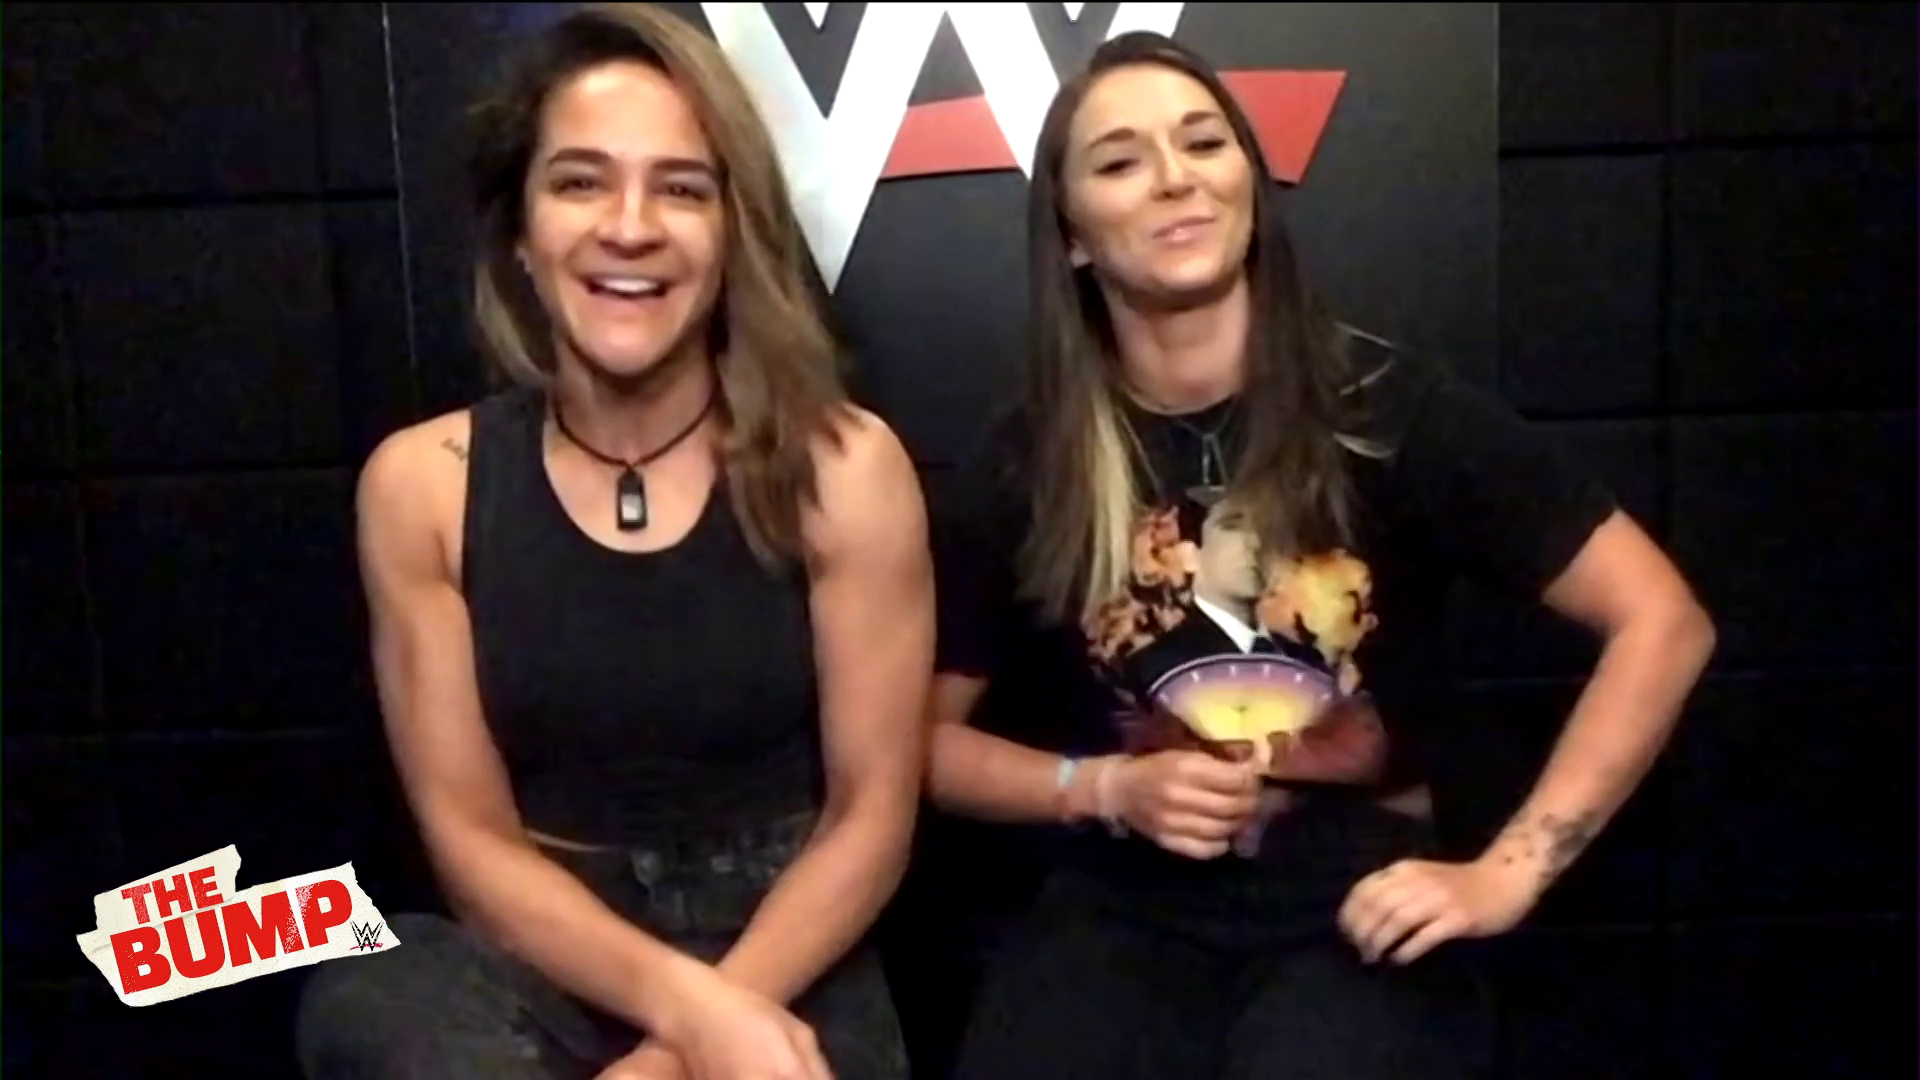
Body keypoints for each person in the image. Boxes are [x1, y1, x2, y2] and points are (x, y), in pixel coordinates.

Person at [924, 30, 1716, 1080]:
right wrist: (1102, 788)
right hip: (1120, 911)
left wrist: (1510, 872)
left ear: (1249, 184)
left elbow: (1663, 622)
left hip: (1350, 903)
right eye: (1120, 161)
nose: (1174, 178)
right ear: (1072, 235)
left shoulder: (1388, 412)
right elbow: (922, 748)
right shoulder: (1027, 459)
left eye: (1204, 142)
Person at [295, 6, 932, 1080]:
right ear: (520, 231)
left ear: (732, 233)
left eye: (680, 188)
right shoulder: (421, 487)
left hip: (787, 950)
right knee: (368, 991)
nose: (628, 227)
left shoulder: (846, 469)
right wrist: (693, 1020)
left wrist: (690, 1048)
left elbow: (872, 818)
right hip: (549, 955)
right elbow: (471, 842)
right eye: (581, 182)